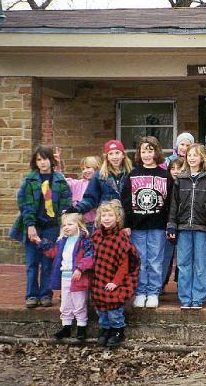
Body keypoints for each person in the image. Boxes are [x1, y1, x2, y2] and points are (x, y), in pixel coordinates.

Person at [10, 145, 72, 309]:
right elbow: (25, 205)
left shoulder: (59, 180)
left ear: (51, 160)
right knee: (31, 263)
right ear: (35, 162)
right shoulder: (30, 181)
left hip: (51, 227)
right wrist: (30, 226)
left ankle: (45, 294)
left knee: (47, 263)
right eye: (39, 159)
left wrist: (62, 227)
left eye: (45, 158)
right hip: (34, 226)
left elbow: (65, 205)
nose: (42, 162)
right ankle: (31, 295)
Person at [121, 136, 173, 309]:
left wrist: (169, 224)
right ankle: (141, 291)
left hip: (158, 225)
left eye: (150, 151)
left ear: (156, 152)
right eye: (143, 151)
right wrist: (127, 224)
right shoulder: (133, 174)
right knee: (140, 260)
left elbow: (171, 202)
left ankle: (153, 292)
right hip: (137, 226)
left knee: (156, 261)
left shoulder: (165, 175)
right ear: (139, 153)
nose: (147, 155)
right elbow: (126, 201)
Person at [166, 143, 206, 309]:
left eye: (195, 155)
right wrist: (171, 226)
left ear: (202, 157)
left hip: (202, 228)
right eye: (189, 155)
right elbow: (174, 204)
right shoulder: (180, 179)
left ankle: (198, 297)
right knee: (183, 263)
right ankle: (185, 298)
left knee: (201, 264)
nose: (192, 158)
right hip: (182, 227)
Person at [91, 200, 140, 348]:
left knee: (113, 309)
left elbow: (124, 265)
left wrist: (116, 282)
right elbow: (89, 255)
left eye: (110, 215)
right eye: (103, 215)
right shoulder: (96, 236)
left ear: (117, 217)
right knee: (101, 308)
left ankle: (117, 330)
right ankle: (105, 329)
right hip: (99, 277)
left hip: (116, 279)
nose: (106, 218)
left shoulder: (121, 237)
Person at [41, 213, 94, 342]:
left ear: (79, 225)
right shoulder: (62, 241)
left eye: (70, 224)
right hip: (64, 275)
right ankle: (66, 327)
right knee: (66, 302)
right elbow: (53, 252)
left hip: (78, 276)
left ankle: (81, 328)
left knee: (79, 302)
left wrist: (80, 268)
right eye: (64, 225)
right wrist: (42, 243)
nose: (66, 227)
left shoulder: (84, 241)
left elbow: (90, 256)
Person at [65, 140, 132, 218]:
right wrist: (76, 209)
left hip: (128, 219)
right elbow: (90, 198)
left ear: (123, 155)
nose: (114, 157)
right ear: (107, 157)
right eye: (111, 154)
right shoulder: (99, 175)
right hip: (107, 219)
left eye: (117, 153)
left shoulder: (132, 174)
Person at [161, 157, 184, 291]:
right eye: (172, 168)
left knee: (182, 258)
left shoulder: (186, 184)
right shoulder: (166, 184)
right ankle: (162, 283)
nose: (175, 171)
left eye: (179, 168)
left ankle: (181, 284)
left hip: (183, 225)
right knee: (166, 257)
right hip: (168, 225)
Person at [61, 155, 101, 233]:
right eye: (83, 169)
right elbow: (62, 182)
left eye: (88, 167)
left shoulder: (101, 183)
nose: (85, 171)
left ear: (97, 168)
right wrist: (58, 168)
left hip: (95, 224)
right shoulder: (79, 184)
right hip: (79, 224)